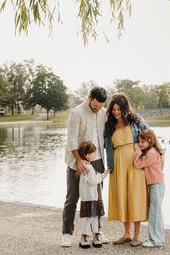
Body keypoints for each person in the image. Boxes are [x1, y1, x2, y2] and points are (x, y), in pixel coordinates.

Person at [61, 87, 109, 247]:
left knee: (97, 200)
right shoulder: (76, 113)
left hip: (98, 161)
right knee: (72, 198)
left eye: (100, 107)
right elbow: (71, 140)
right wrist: (79, 160)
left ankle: (97, 232)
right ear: (89, 98)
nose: (97, 110)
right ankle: (67, 233)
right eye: (95, 106)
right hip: (77, 160)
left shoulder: (103, 113)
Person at [104, 94, 149, 247]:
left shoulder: (136, 120)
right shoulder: (110, 125)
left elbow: (150, 135)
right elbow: (106, 145)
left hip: (135, 164)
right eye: (113, 109)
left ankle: (137, 235)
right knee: (122, 197)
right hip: (117, 165)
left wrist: (157, 154)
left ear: (125, 109)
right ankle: (127, 233)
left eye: (118, 109)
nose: (115, 112)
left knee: (135, 197)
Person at [133, 129, 165, 248]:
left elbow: (137, 164)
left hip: (156, 185)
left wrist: (137, 150)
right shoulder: (155, 150)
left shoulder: (151, 152)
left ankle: (155, 240)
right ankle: (158, 238)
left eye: (142, 142)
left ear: (150, 141)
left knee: (154, 213)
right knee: (157, 213)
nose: (140, 144)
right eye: (139, 142)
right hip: (157, 184)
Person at [76, 141, 110, 249]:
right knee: (90, 218)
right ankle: (83, 237)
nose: (95, 155)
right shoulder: (88, 167)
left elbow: (94, 178)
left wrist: (103, 174)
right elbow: (93, 181)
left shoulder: (87, 166)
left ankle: (95, 237)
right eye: (93, 153)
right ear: (86, 155)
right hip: (91, 197)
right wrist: (104, 175)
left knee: (95, 217)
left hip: (92, 196)